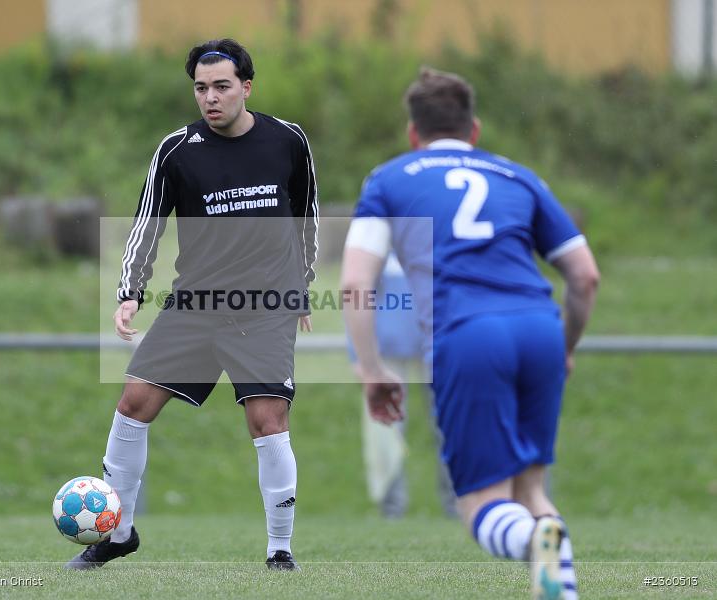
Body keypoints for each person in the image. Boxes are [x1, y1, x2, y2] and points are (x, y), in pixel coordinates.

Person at [342, 67, 599, 599]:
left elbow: (354, 286)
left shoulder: (389, 179)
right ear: (474, 130)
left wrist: (371, 369)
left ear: (414, 133)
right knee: (531, 488)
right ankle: (558, 581)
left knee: (479, 505)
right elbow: (584, 277)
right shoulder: (519, 176)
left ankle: (534, 539)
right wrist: (566, 348)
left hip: (467, 334)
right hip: (539, 327)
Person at [64, 38, 318, 572]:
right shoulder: (177, 150)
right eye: (201, 88)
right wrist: (130, 290)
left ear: (246, 87)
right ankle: (117, 534)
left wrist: (304, 284)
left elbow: (307, 214)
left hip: (266, 305)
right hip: (195, 304)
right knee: (134, 403)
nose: (210, 97)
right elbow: (147, 222)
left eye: (222, 86)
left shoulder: (288, 141)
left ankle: (279, 551)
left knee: (267, 420)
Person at [346, 252, 457, 518]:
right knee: (385, 432)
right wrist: (359, 355)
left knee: (452, 427)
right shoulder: (377, 235)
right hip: (385, 353)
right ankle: (391, 509)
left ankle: (460, 504)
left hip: (439, 346)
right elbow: (355, 292)